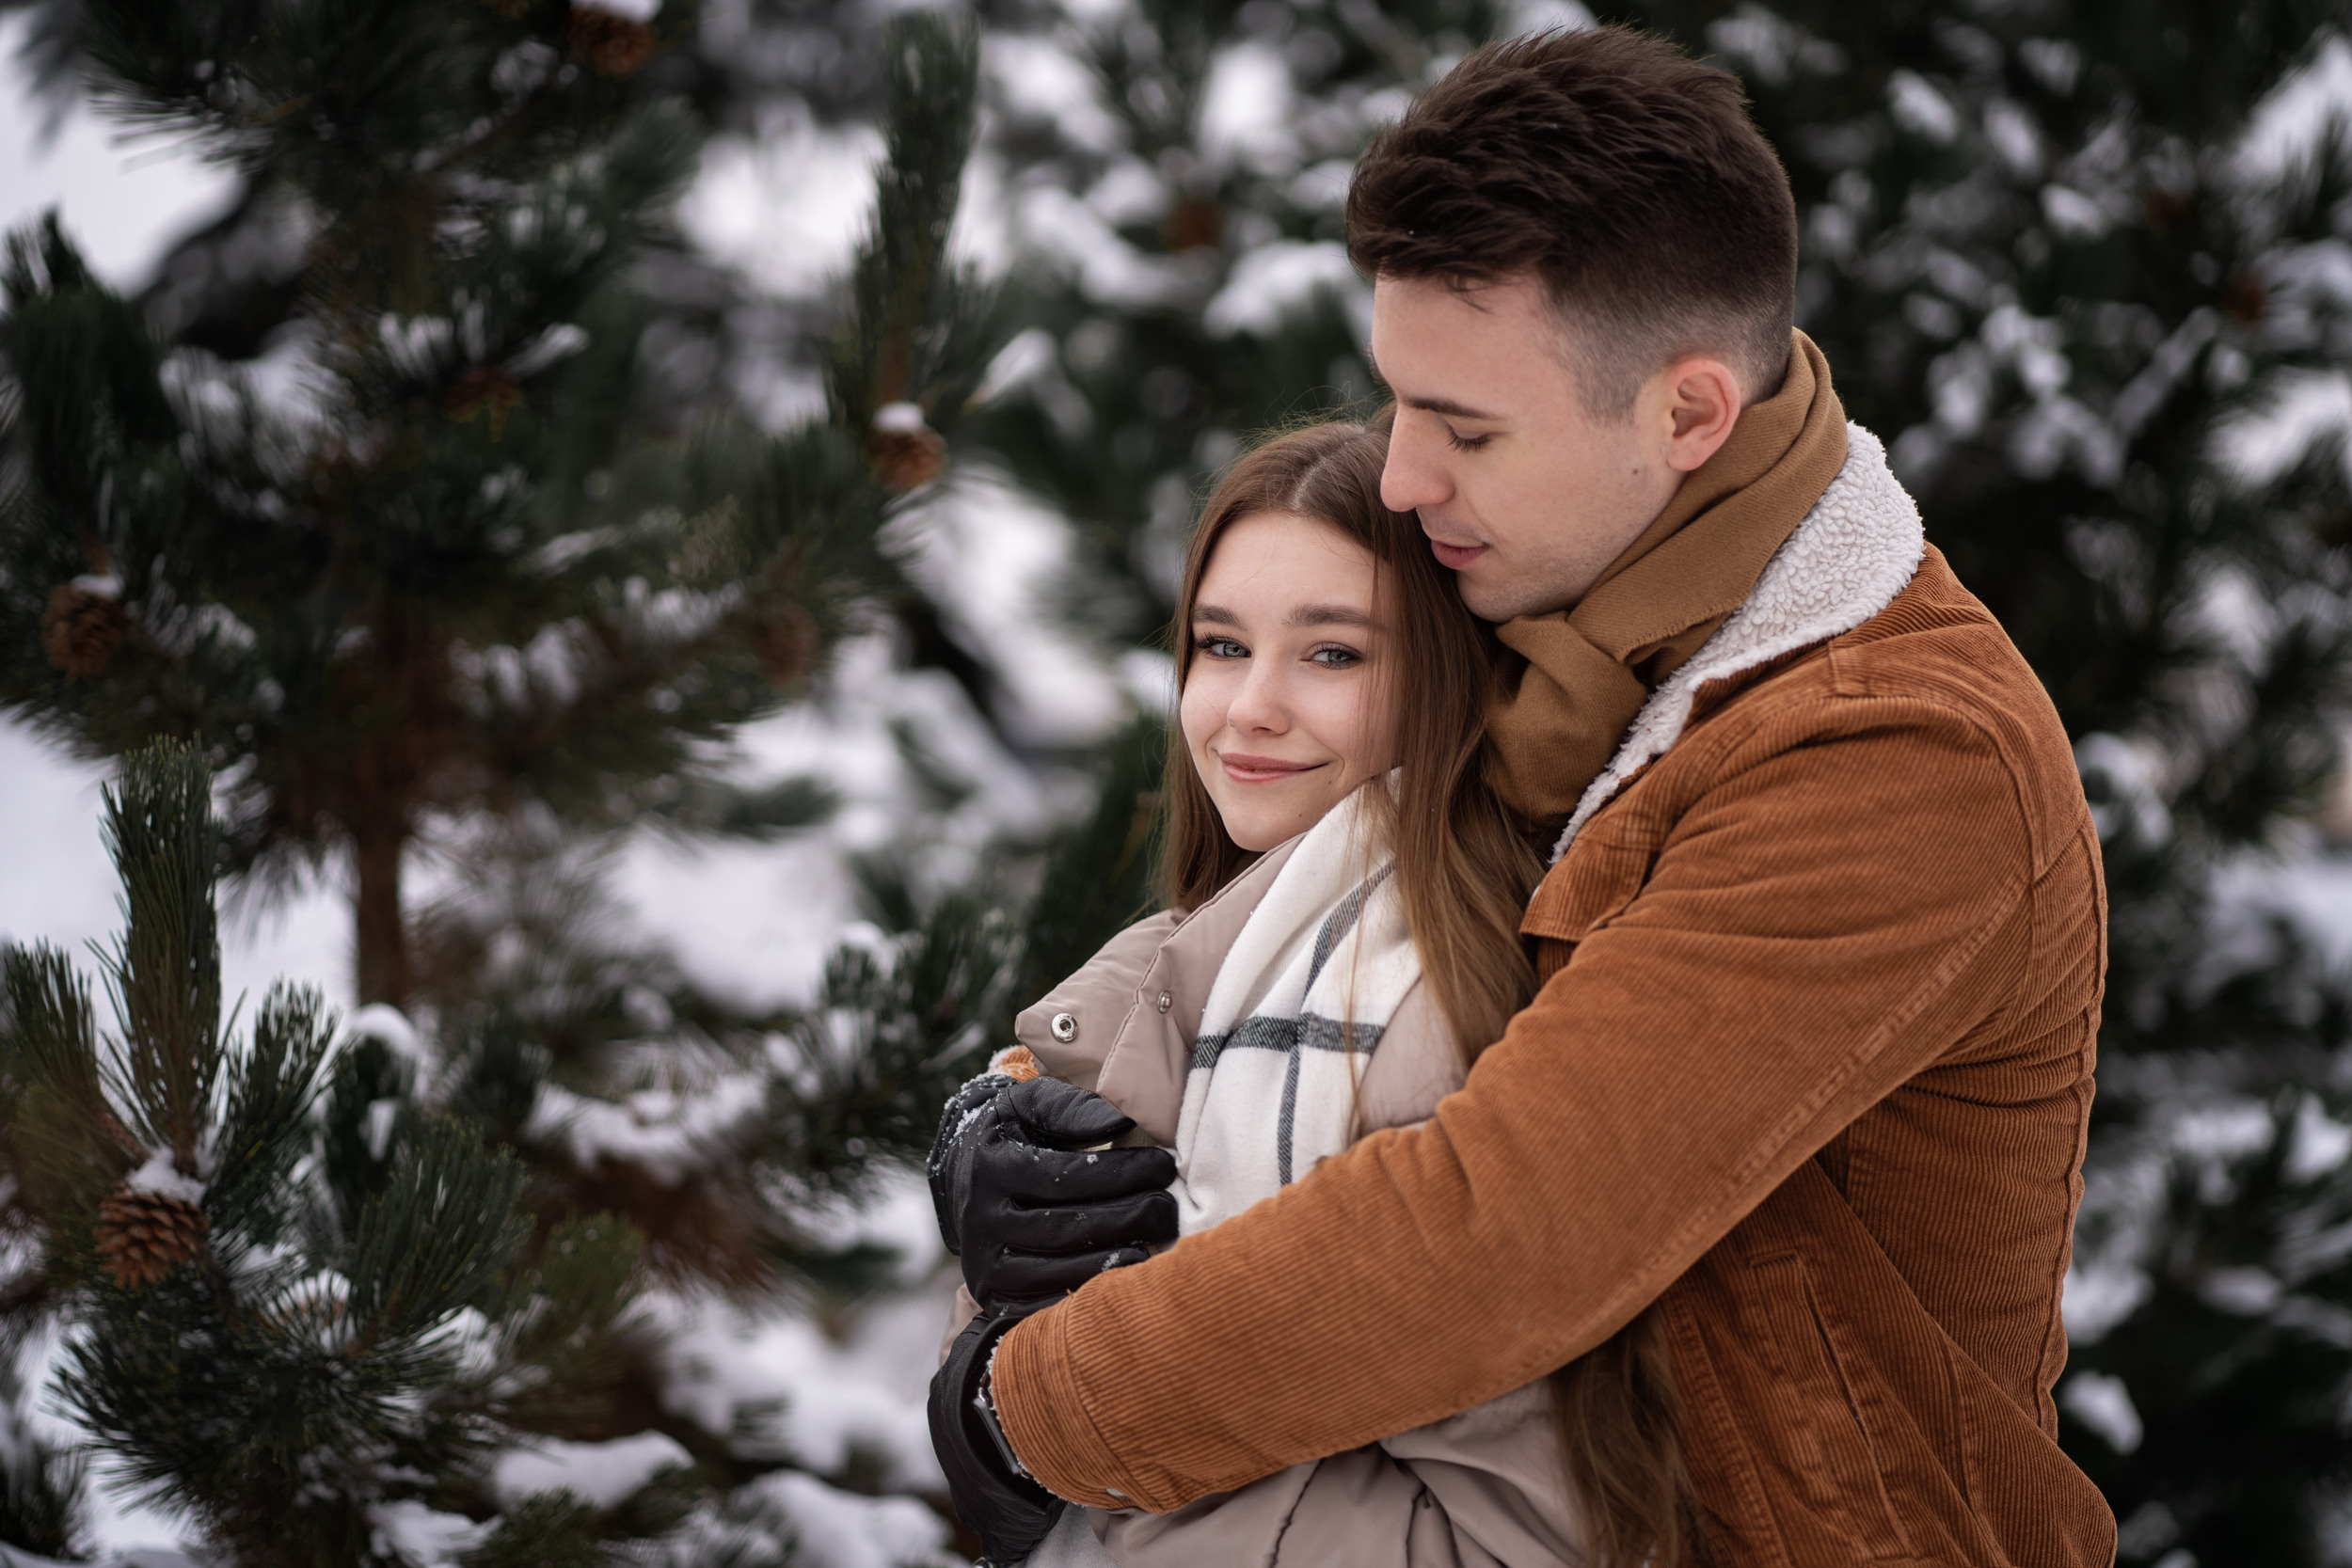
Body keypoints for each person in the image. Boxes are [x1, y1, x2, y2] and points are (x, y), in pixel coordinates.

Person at [935, 24, 2115, 1568]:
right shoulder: (1566, 614)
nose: (1404, 477)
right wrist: (1030, 1109)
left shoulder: (1894, 756)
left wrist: (1027, 1408)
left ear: (1688, 415)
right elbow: (1309, 892)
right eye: (1401, 404)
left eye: (1466, 428)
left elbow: (1502, 1224)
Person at [932, 419, 1646, 1566]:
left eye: (1332, 654)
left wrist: (1057, 1449)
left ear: (1448, 673)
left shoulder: (1445, 1005)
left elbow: (1522, 1526)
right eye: (1221, 644)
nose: (1249, 706)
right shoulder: (1192, 968)